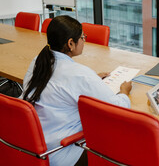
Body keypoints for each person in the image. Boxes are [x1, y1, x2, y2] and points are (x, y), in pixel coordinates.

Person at [22, 15, 132, 166]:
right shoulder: (79, 74)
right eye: (82, 37)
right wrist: (124, 92)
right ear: (70, 43)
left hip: (26, 145)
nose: (84, 40)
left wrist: (92, 79)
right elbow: (118, 109)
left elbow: (61, 84)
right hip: (58, 153)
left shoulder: (38, 61)